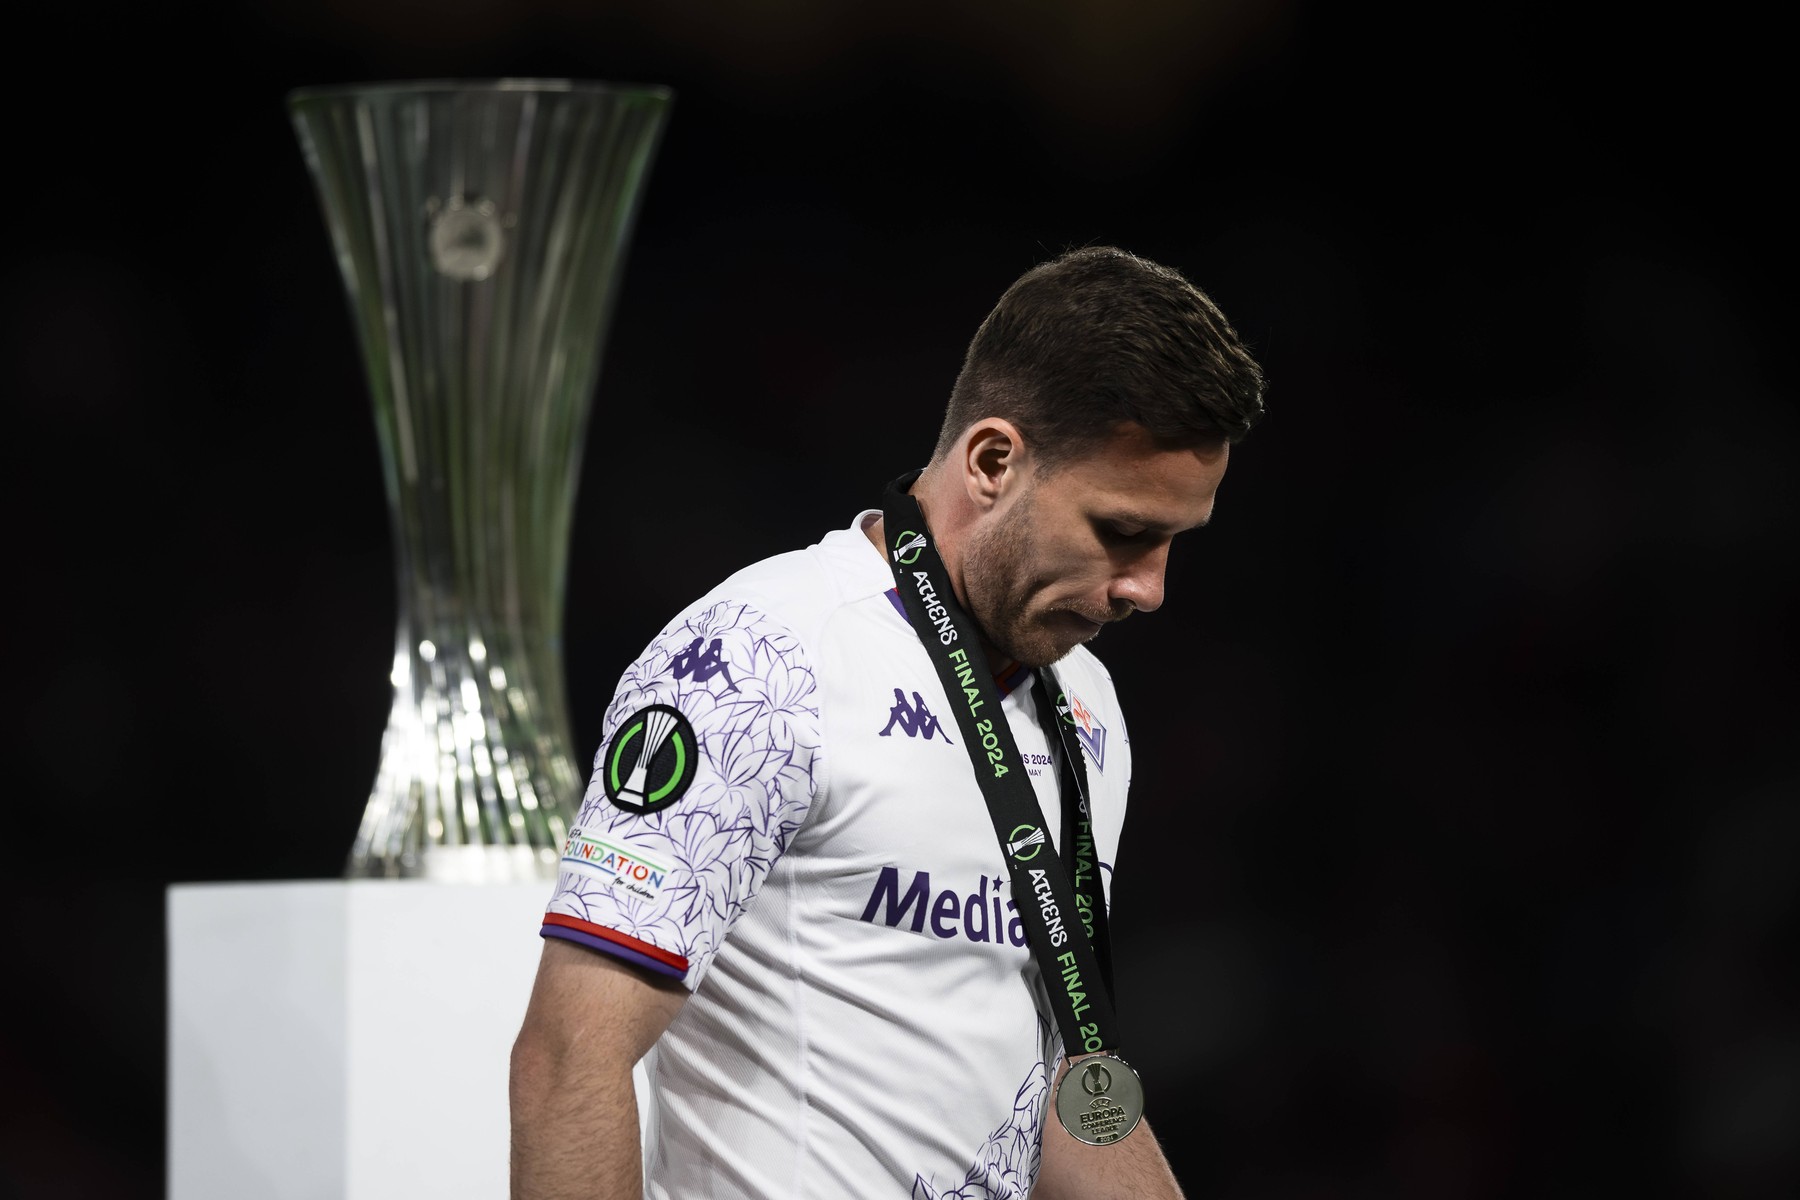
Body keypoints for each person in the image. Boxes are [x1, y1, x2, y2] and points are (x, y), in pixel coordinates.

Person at [510, 245, 1266, 1199]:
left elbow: (1066, 1087)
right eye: (1121, 531)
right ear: (994, 460)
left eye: (1172, 543)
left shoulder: (1087, 709)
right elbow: (568, 1058)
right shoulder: (764, 656)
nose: (1149, 589)